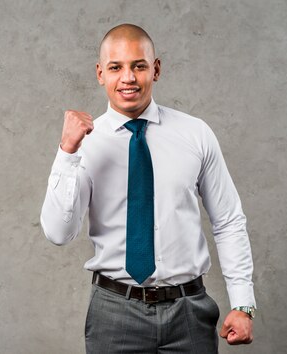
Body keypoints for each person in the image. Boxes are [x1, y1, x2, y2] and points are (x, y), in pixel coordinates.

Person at [40, 23, 256, 353]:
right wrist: (66, 151)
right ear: (100, 73)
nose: (128, 78)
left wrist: (243, 304)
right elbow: (58, 233)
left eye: (138, 66)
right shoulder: (84, 144)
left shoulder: (195, 134)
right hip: (114, 313)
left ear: (155, 70)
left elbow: (228, 221)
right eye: (116, 67)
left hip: (189, 311)